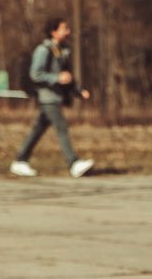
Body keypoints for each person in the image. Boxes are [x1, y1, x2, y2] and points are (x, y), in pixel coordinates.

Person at [9, 17, 95, 179]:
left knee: (38, 129)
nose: (68, 32)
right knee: (61, 127)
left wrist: (78, 91)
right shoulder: (43, 50)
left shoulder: (63, 51)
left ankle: (20, 161)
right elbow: (35, 74)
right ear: (53, 32)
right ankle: (73, 163)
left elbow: (67, 76)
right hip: (47, 97)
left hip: (56, 96)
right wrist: (56, 78)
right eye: (64, 28)